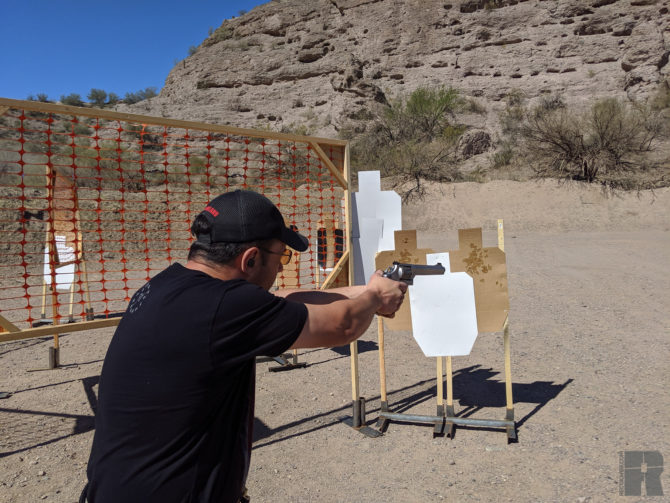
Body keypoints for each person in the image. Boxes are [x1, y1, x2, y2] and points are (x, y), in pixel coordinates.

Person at [82, 189, 406, 503]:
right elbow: (343, 325)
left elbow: (284, 301)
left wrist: (366, 292)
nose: (281, 268)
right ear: (250, 259)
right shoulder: (227, 307)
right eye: (282, 257)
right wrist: (377, 297)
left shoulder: (172, 285)